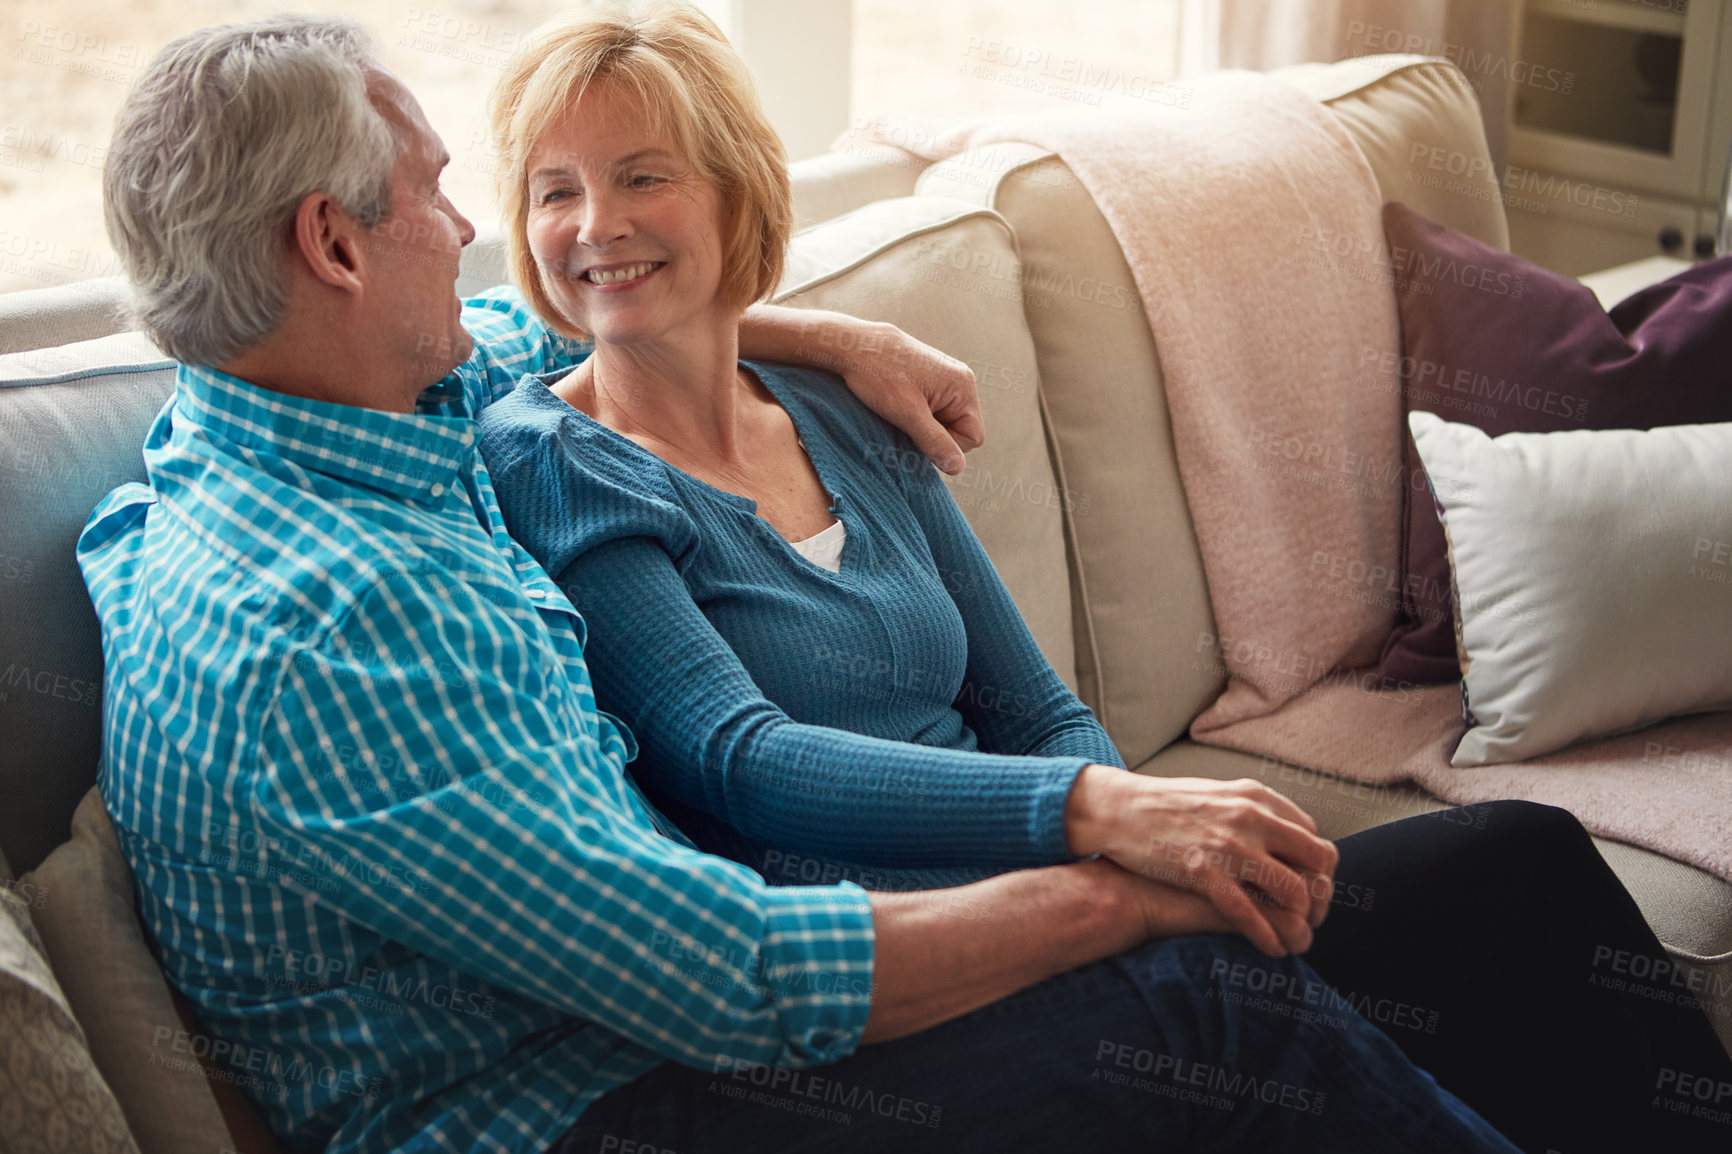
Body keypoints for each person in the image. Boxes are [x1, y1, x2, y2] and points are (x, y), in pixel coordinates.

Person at [75, 12, 1528, 1154]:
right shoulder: (339, 629)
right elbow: (733, 971)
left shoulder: (287, 430)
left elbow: (549, 322)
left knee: (1498, 870)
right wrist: (1121, 890)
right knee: (1219, 999)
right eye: (441, 195)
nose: (470, 234)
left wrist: (821, 335)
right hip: (594, 1108)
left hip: (685, 1026)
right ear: (330, 246)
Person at [474, 6, 1732, 1154]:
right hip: (908, 975)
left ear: (734, 189)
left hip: (1077, 887)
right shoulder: (555, 461)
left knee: (1521, 860)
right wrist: (1102, 825)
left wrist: (1156, 848)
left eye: (644, 176)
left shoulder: (841, 404)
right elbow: (737, 757)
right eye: (554, 193)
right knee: (1247, 1004)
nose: (597, 225)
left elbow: (1032, 704)